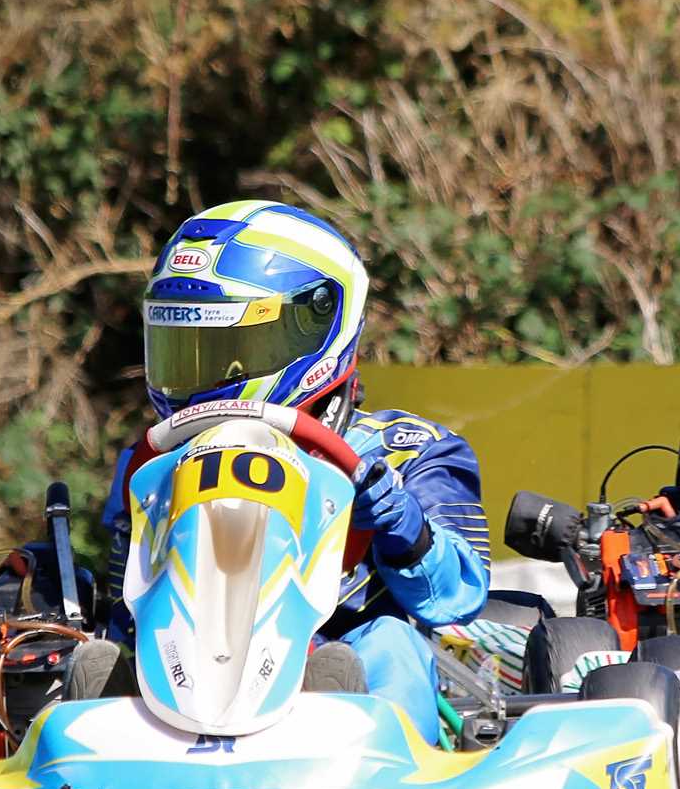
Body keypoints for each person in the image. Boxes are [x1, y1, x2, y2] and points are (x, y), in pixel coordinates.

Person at [83, 200, 490, 744]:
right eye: (187, 349)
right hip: (178, 671)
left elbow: (460, 596)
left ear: (312, 325)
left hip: (335, 661)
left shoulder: (404, 451)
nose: (206, 374)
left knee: (389, 643)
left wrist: (402, 526)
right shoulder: (153, 462)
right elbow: (123, 602)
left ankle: (384, 762)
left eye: (230, 349)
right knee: (93, 653)